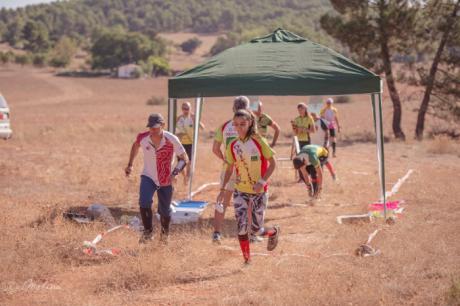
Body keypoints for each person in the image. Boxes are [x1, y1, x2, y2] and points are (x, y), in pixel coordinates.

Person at [217, 109, 280, 263]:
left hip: (259, 191)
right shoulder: (232, 145)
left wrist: (262, 182)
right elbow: (229, 168)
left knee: (256, 230)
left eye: (243, 124)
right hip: (240, 191)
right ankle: (247, 260)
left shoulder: (259, 141)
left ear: (250, 123)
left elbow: (273, 164)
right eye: (236, 125)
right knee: (242, 227)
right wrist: (222, 189)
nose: (240, 128)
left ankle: (273, 232)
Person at [125, 113, 188, 243]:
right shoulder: (143, 137)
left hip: (165, 178)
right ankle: (148, 233)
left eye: (155, 127)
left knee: (164, 211)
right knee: (144, 201)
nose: (152, 131)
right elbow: (135, 145)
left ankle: (165, 236)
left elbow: (184, 158)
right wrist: (130, 164)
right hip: (148, 176)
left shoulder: (172, 139)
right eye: (150, 128)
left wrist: (174, 173)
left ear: (163, 125)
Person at [211, 96, 250, 243]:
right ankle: (249, 234)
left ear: (233, 109)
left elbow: (215, 149)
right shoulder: (250, 125)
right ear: (247, 108)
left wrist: (225, 159)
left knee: (223, 199)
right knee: (249, 200)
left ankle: (216, 233)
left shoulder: (224, 126)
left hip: (228, 167)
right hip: (247, 169)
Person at [175, 101, 205, 185]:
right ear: (182, 109)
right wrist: (180, 134)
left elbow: (202, 127)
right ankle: (184, 176)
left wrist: (197, 121)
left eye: (187, 108)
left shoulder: (193, 117)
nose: (186, 110)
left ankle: (187, 179)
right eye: (184, 108)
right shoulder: (178, 118)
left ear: (190, 108)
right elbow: (173, 131)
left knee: (189, 162)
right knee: (181, 163)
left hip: (191, 143)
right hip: (180, 144)